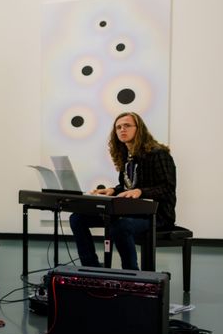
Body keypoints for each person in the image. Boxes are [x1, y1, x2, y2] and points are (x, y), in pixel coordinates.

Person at [69, 111, 176, 270]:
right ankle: (91, 267)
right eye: (118, 127)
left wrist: (141, 192)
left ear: (139, 129)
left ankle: (131, 274)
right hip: (131, 211)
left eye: (127, 125)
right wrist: (112, 190)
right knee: (77, 219)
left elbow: (168, 187)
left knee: (120, 226)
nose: (122, 129)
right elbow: (127, 186)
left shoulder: (158, 154)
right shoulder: (126, 155)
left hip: (157, 215)